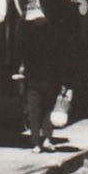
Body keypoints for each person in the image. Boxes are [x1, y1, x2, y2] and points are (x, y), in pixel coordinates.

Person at [19, 14, 64, 152]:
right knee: (46, 111)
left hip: (36, 81)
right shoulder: (53, 42)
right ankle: (46, 140)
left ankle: (38, 143)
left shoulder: (30, 41)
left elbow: (25, 61)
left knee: (35, 112)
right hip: (47, 80)